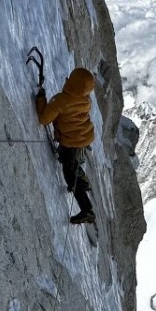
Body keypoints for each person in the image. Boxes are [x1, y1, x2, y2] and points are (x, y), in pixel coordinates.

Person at [35, 67, 97, 224]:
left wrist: (41, 99)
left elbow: (44, 119)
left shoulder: (61, 100)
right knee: (69, 160)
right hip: (83, 138)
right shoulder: (85, 100)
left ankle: (87, 210)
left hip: (70, 141)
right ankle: (82, 181)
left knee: (69, 174)